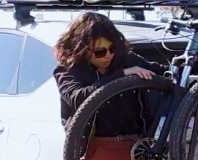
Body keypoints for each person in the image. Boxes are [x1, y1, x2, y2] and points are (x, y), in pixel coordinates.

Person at [52, 12, 165, 160]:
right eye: (100, 52)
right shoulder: (67, 71)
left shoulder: (127, 60)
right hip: (98, 148)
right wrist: (121, 75)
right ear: (81, 49)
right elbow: (78, 98)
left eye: (112, 49)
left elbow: (165, 74)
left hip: (138, 146)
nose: (108, 55)